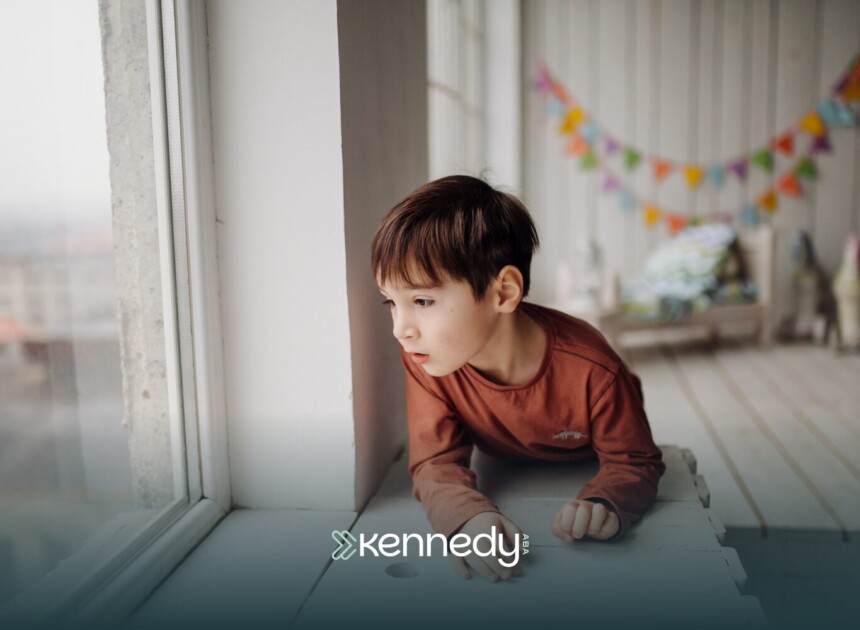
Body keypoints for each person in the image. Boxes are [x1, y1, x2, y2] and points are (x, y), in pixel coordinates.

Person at [370, 175, 665, 583]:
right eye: (392, 303)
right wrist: (467, 517)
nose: (401, 329)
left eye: (422, 301)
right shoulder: (428, 358)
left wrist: (607, 502)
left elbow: (635, 460)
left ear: (503, 292)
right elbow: (436, 461)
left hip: (581, 461)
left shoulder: (593, 370)